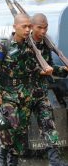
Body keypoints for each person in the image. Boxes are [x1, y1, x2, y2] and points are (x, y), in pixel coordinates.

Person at [0, 13, 53, 165]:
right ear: (14, 27)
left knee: (21, 133)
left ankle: (13, 160)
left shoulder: (30, 47)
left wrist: (45, 71)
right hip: (7, 94)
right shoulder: (2, 46)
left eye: (29, 26)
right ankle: (1, 154)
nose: (27, 30)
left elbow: (34, 69)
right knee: (12, 123)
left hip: (25, 95)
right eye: (24, 26)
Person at [30, 13, 68, 166]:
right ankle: (7, 159)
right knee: (17, 129)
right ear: (32, 27)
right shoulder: (24, 43)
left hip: (40, 92)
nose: (43, 31)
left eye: (45, 28)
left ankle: (54, 161)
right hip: (22, 93)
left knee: (49, 124)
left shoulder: (46, 43)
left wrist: (64, 70)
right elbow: (19, 67)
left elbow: (50, 67)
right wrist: (39, 71)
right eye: (40, 27)